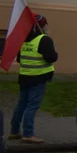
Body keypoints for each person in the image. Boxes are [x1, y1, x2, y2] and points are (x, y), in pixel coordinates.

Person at [9, 15, 57, 143]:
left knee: (22, 104)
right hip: (38, 77)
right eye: (45, 25)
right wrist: (55, 53)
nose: (47, 27)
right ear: (42, 26)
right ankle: (28, 134)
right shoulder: (44, 40)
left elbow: (19, 59)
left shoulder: (24, 39)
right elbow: (51, 57)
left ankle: (14, 131)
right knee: (32, 106)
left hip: (24, 77)